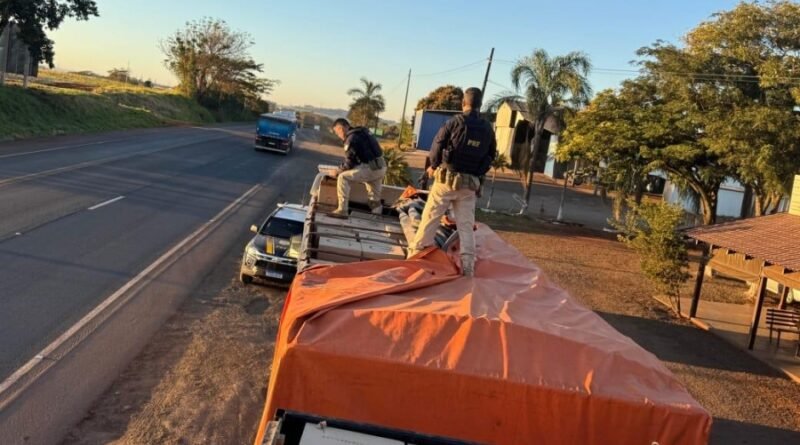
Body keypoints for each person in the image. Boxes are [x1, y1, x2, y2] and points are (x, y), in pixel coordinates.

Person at [407, 87, 496, 276]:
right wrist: (477, 173)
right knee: (466, 227)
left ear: (463, 103)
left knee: (430, 217)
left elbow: (437, 145)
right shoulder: (487, 128)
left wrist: (433, 166)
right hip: (469, 185)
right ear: (480, 105)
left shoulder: (455, 122)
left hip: (446, 182)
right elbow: (491, 155)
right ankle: (468, 266)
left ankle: (415, 256)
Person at [329, 118, 387, 217]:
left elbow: (349, 163)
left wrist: (337, 171)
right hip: (381, 167)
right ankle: (376, 218)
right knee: (374, 198)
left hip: (371, 169)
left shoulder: (351, 139)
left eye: (337, 132)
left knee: (343, 177)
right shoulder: (362, 132)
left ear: (341, 128)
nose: (338, 135)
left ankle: (342, 210)